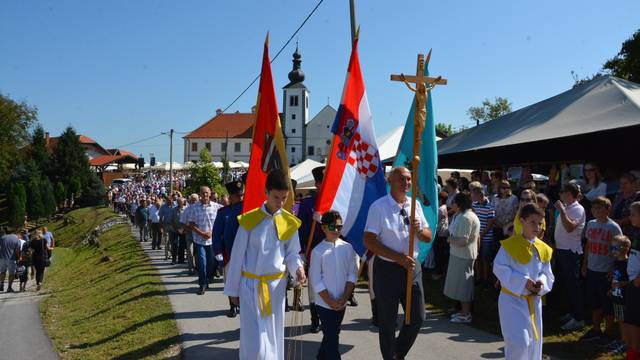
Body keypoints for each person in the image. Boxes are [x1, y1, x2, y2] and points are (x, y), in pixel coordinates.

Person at [224, 169, 305, 360]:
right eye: (276, 197)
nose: (280, 202)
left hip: (275, 289)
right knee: (255, 343)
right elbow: (237, 257)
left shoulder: (289, 222)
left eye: (284, 198)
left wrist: (298, 269)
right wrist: (233, 290)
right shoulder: (249, 220)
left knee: (273, 336)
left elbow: (292, 254)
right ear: (266, 192)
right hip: (250, 287)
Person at [363, 167, 432, 360]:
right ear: (390, 181)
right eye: (401, 179)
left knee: (417, 317)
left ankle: (397, 354)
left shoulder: (415, 205)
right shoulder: (379, 207)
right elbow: (369, 240)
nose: (406, 183)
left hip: (412, 267)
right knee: (387, 321)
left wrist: (419, 230)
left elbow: (428, 236)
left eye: (409, 180)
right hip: (387, 269)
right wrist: (397, 257)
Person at [494, 203, 554, 360]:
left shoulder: (543, 248)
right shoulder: (510, 245)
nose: (537, 227)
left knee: (534, 343)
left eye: (540, 223)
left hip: (533, 301)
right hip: (512, 301)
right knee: (520, 343)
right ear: (522, 221)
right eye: (532, 222)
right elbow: (499, 268)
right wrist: (523, 282)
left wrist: (540, 282)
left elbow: (547, 274)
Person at [309, 210, 357, 360]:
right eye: (332, 227)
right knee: (332, 338)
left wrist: (345, 297)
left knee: (331, 335)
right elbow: (316, 280)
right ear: (323, 228)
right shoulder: (317, 251)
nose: (336, 230)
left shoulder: (348, 248)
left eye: (339, 227)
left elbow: (352, 274)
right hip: (324, 304)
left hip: (341, 302)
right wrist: (329, 301)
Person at [580, 196, 622, 345]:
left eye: (599, 208)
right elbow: (589, 245)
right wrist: (585, 264)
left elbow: (619, 249)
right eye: (594, 208)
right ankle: (596, 329)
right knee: (594, 301)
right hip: (592, 268)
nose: (596, 211)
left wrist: (615, 268)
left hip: (606, 270)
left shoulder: (613, 227)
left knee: (608, 304)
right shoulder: (591, 224)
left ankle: (609, 333)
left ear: (607, 209)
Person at [297, 165, 328, 333]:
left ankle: (328, 317)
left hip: (331, 249)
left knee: (330, 283)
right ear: (317, 184)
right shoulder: (307, 203)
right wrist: (302, 251)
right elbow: (301, 229)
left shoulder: (335, 200)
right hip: (313, 248)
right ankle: (315, 319)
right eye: (323, 182)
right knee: (314, 285)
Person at [553, 182, 587, 331]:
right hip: (562, 250)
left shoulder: (578, 209)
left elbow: (570, 228)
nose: (560, 195)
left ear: (568, 194)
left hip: (570, 252)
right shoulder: (568, 208)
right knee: (566, 285)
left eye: (563, 192)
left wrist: (561, 210)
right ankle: (572, 313)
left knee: (573, 286)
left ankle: (579, 318)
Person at [444, 192, 480, 324]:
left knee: (464, 286)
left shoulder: (466, 217)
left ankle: (466, 314)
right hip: (459, 254)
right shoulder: (461, 215)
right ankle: (462, 311)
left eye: (453, 202)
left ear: (458, 204)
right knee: (459, 285)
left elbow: (463, 240)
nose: (451, 204)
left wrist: (449, 240)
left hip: (463, 255)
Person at [213, 179, 244, 317]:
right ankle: (232, 306)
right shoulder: (223, 212)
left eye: (241, 195)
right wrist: (218, 251)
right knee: (230, 281)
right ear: (230, 197)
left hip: (245, 253)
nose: (240, 198)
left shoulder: (247, 209)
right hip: (229, 253)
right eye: (237, 195)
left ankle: (243, 304)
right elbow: (216, 233)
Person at [188, 186, 221, 295]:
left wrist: (211, 232)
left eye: (207, 193)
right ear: (200, 194)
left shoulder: (216, 207)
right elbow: (191, 224)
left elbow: (219, 222)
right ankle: (202, 285)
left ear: (210, 194)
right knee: (202, 263)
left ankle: (207, 280)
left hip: (212, 240)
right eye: (203, 193)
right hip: (199, 240)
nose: (205, 195)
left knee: (211, 263)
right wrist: (202, 233)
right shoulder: (194, 207)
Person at [610, 235, 631, 354]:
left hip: (625, 298)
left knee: (625, 321)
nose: (613, 251)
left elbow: (631, 281)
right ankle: (622, 340)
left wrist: (622, 284)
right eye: (612, 247)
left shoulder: (628, 263)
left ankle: (626, 343)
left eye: (616, 248)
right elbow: (615, 278)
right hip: (616, 296)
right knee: (619, 320)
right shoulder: (616, 262)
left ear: (626, 248)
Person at [471, 186, 496, 288]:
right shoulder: (474, 205)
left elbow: (490, 224)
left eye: (473, 195)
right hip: (477, 237)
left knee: (485, 259)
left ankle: (485, 280)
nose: (472, 197)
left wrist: (481, 235)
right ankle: (478, 278)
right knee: (477, 258)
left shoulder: (490, 206)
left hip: (486, 238)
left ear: (479, 195)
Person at [625, 202, 640, 360]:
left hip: (637, 285)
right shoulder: (636, 232)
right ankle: (632, 350)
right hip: (632, 282)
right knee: (631, 320)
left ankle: (633, 354)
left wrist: (637, 281)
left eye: (633, 214)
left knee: (635, 322)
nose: (630, 217)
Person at [432, 191, 450, 279]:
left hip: (440, 233)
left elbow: (436, 221)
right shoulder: (444, 207)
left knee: (439, 254)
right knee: (441, 253)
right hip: (444, 233)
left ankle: (439, 272)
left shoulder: (440, 209)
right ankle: (440, 271)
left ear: (441, 199)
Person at [171, 198, 187, 265]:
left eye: (181, 202)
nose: (180, 203)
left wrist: (183, 229)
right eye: (178, 202)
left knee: (182, 245)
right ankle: (174, 259)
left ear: (183, 202)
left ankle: (181, 259)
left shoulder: (186, 209)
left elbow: (187, 220)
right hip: (175, 229)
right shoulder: (174, 209)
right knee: (174, 244)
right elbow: (172, 220)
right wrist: (177, 229)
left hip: (183, 230)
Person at [159, 196, 176, 261]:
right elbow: (160, 218)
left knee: (173, 241)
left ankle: (173, 253)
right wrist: (161, 227)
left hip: (174, 226)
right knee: (166, 241)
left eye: (170, 200)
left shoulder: (175, 206)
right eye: (168, 201)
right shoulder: (163, 207)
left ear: (172, 200)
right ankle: (166, 255)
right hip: (166, 225)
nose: (169, 202)